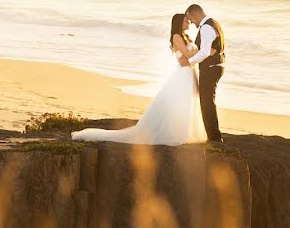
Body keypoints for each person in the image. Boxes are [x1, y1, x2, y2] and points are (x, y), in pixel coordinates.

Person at [71, 13, 209, 145]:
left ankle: (185, 130)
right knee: (180, 103)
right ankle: (177, 133)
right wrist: (205, 52)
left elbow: (191, 55)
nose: (189, 23)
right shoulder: (177, 37)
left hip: (189, 73)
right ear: (179, 23)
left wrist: (202, 52)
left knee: (187, 104)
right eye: (186, 20)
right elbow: (188, 55)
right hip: (183, 74)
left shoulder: (186, 36)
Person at [178, 4, 225, 143]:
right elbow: (207, 50)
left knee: (206, 103)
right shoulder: (214, 24)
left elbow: (204, 52)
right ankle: (214, 136)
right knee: (207, 101)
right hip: (215, 65)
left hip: (211, 67)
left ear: (196, 15)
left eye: (192, 20)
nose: (192, 24)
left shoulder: (206, 28)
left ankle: (214, 138)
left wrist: (190, 61)